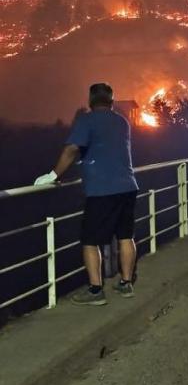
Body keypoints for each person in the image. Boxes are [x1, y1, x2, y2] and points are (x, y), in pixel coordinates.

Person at [34, 83, 139, 305]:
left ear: (91, 100)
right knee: (125, 236)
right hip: (128, 187)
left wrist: (53, 175)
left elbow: (72, 149)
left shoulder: (87, 120)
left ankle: (95, 291)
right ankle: (126, 283)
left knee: (90, 241)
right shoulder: (122, 121)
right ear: (112, 101)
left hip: (102, 190)